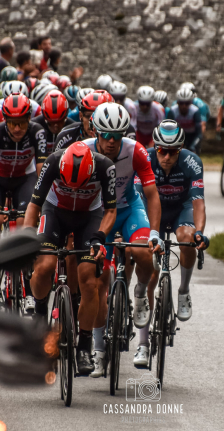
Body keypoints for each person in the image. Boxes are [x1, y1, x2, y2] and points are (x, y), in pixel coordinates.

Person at [25, 142, 117, 375]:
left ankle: (84, 346)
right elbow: (35, 204)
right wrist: (26, 237)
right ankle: (39, 308)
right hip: (55, 212)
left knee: (89, 280)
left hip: (90, 217)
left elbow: (111, 211)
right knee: (44, 266)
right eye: (68, 184)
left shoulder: (105, 166)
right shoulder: (54, 161)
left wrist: (100, 236)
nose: (74, 189)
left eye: (80, 186)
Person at [83, 103, 162, 370]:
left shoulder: (136, 150)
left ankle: (139, 292)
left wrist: (154, 233)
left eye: (117, 136)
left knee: (143, 252)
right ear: (96, 131)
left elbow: (151, 194)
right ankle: (98, 350)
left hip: (129, 210)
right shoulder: (84, 150)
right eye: (105, 135)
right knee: (99, 280)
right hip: (97, 214)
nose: (111, 142)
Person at [0, 94, 48, 297]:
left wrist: (41, 201)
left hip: (24, 180)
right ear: (5, 121)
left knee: (25, 223)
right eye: (12, 123)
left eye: (22, 123)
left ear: (29, 119)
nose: (17, 129)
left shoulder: (38, 132)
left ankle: (26, 275)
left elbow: (42, 170)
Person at [146, 120, 208, 322]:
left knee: (187, 238)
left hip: (182, 209)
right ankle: (144, 316)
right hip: (153, 209)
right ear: (155, 146)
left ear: (180, 149)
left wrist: (199, 232)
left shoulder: (192, 162)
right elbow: (137, 198)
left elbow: (198, 202)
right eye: (162, 150)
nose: (166, 156)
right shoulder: (145, 159)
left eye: (173, 152)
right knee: (151, 272)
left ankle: (183, 290)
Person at [167, 87, 203, 154]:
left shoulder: (195, 111)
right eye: (181, 103)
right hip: (177, 135)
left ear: (191, 103)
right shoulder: (172, 111)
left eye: (187, 103)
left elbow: (199, 134)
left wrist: (193, 146)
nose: (184, 106)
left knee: (194, 152)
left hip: (192, 136)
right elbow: (168, 131)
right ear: (177, 102)